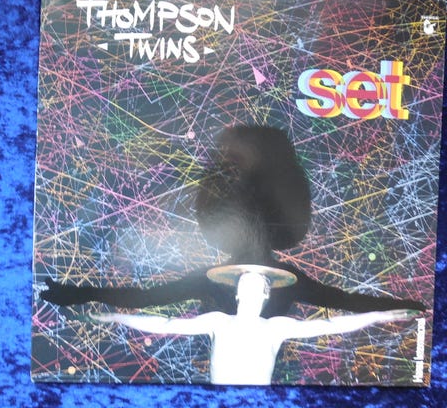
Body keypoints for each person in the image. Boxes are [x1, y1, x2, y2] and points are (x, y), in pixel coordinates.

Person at [41, 126, 425, 316]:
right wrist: (83, 294)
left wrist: (407, 305)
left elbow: (347, 302)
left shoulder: (279, 280)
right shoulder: (235, 278)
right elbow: (145, 298)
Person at [88, 265, 419, 385]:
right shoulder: (218, 321)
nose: (249, 285)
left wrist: (382, 316)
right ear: (236, 292)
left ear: (265, 294)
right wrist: (116, 317)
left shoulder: (276, 328)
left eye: (257, 283)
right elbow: (166, 323)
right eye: (244, 282)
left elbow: (331, 325)